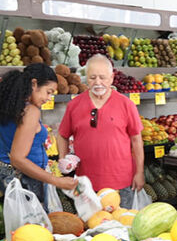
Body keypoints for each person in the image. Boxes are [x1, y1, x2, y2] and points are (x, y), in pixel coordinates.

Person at [0, 63, 77, 205]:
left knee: (19, 224)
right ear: (34, 84)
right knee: (34, 225)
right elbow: (18, 159)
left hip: (4, 175)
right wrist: (57, 181)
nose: (49, 98)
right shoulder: (30, 111)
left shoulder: (1, 106)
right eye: (48, 92)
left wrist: (11, 145)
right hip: (26, 178)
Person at [57, 55, 145, 208]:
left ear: (111, 78)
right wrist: (63, 159)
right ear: (86, 78)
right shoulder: (74, 105)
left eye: (102, 77)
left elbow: (137, 140)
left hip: (122, 182)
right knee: (91, 227)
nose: (97, 82)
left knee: (122, 227)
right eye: (92, 77)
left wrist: (139, 172)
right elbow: (63, 135)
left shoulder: (126, 104)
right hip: (85, 184)